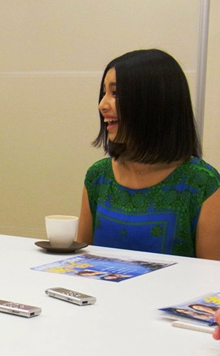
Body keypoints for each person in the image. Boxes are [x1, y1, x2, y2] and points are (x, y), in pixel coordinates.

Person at [76, 49, 220, 260]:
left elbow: (212, 276)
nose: (102, 105)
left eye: (115, 94)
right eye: (104, 93)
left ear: (154, 102)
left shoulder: (202, 183)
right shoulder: (98, 176)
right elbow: (80, 262)